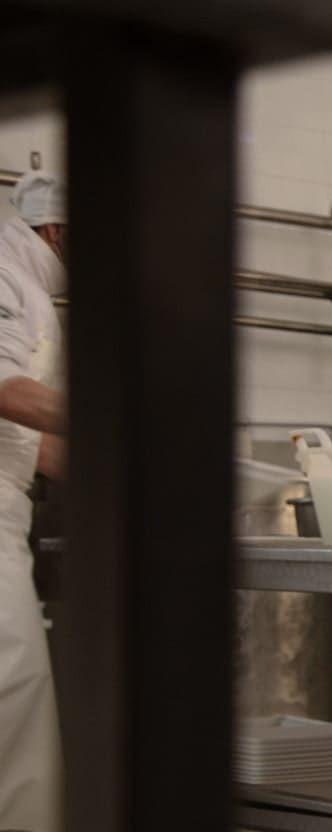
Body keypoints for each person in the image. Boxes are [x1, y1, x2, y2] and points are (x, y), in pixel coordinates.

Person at [0, 170, 68, 832]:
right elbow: (5, 389)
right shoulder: (4, 266)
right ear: (58, 229)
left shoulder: (31, 285)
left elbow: (25, 442)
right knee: (11, 697)